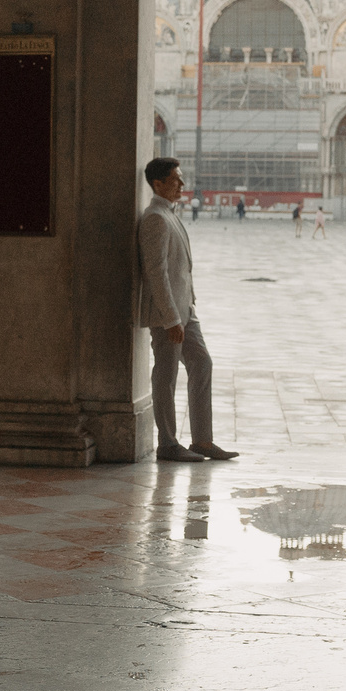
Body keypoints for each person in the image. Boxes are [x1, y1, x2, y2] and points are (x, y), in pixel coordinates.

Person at [137, 157, 238, 463]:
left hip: (185, 309)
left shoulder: (169, 214)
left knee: (202, 363)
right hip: (168, 314)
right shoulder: (155, 217)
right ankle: (167, 443)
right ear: (158, 184)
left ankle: (202, 441)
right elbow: (157, 273)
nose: (181, 184)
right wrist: (170, 318)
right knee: (165, 376)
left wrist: (186, 309)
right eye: (175, 179)